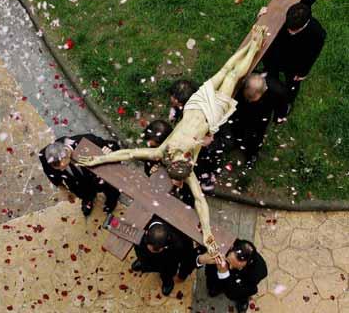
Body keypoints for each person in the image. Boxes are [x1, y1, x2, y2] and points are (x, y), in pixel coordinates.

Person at [78, 25, 268, 255]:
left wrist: (99, 158)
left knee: (227, 69)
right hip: (210, 114)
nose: (184, 154)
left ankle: (251, 45)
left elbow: (129, 153)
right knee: (233, 75)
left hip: (195, 104)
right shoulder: (183, 168)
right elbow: (200, 201)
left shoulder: (163, 151)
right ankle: (254, 46)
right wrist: (206, 231)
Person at [39, 133, 121, 216]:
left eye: (63, 167)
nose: (62, 170)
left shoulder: (88, 141)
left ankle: (111, 201)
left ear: (66, 154)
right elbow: (51, 174)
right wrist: (64, 190)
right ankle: (88, 199)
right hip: (76, 182)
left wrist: (110, 152)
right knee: (82, 192)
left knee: (109, 188)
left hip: (97, 175)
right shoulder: (45, 158)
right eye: (59, 169)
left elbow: (114, 146)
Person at [261, 3, 326, 103]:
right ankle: (269, 89)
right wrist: (262, 18)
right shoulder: (282, 17)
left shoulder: (316, 32)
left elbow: (312, 54)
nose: (290, 32)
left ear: (306, 22)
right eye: (289, 28)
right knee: (270, 73)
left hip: (295, 62)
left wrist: (303, 72)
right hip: (275, 53)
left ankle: (288, 102)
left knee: (292, 83)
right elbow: (266, 27)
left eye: (295, 30)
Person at [229, 73, 290, 164]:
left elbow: (282, 106)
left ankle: (251, 155)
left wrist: (279, 117)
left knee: (256, 136)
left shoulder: (277, 90)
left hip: (262, 114)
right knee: (237, 126)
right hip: (242, 109)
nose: (250, 100)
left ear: (263, 91)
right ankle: (236, 142)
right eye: (248, 97)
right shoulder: (243, 82)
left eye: (252, 98)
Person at [197, 239, 267, 313]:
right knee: (212, 284)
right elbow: (209, 270)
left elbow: (232, 293)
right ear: (231, 248)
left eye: (235, 266)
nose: (229, 268)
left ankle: (242, 301)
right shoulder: (224, 247)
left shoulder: (258, 272)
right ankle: (215, 288)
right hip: (217, 274)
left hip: (240, 285)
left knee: (241, 294)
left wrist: (224, 274)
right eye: (229, 262)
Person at [131, 220, 197, 296]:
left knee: (167, 272)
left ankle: (167, 282)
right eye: (151, 247)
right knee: (142, 254)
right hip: (145, 254)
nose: (153, 251)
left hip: (167, 262)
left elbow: (188, 259)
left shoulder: (179, 243)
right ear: (146, 233)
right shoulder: (142, 224)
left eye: (158, 249)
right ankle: (143, 262)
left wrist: (182, 275)